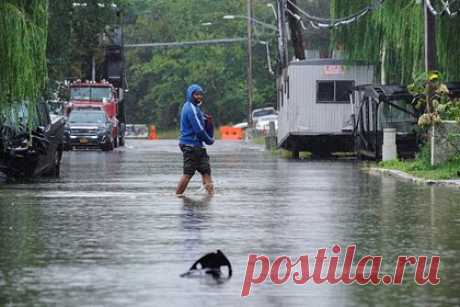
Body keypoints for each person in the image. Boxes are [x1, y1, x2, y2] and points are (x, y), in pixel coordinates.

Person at [176, 84, 215, 196]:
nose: (199, 97)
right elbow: (199, 130)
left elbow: (203, 123)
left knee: (206, 171)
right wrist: (209, 141)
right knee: (188, 173)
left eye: (200, 94)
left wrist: (207, 120)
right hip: (190, 145)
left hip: (198, 146)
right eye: (196, 94)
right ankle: (177, 196)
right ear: (190, 95)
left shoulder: (196, 108)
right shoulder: (190, 108)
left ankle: (211, 197)